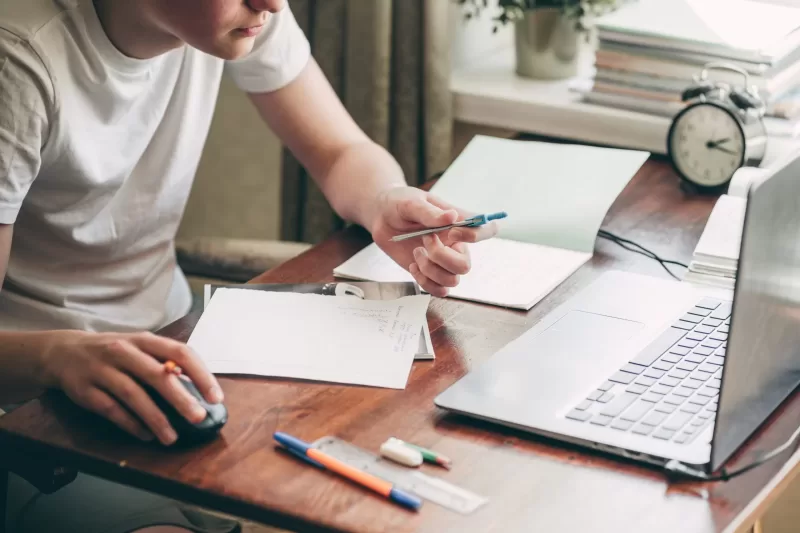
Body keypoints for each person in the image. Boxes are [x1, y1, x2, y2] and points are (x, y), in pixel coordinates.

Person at [0, 0, 498, 531]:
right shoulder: (21, 61)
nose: (273, 3)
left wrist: (384, 202)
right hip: (39, 402)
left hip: (183, 351)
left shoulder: (244, 17)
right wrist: (61, 356)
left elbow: (340, 149)